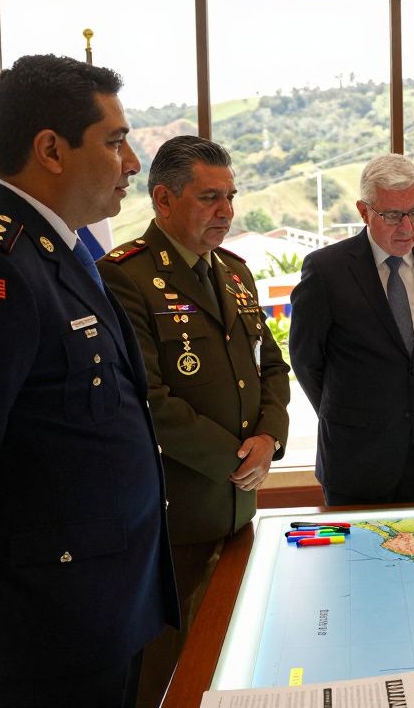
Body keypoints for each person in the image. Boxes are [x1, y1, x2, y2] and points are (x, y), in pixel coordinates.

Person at [0, 54, 176, 707]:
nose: (133, 162)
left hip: (104, 601)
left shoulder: (60, 252)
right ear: (51, 149)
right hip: (47, 624)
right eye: (114, 141)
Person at [97, 135, 290, 706]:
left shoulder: (234, 273)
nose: (226, 211)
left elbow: (271, 366)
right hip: (172, 522)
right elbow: (146, 399)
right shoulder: (124, 276)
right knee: (162, 678)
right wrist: (236, 457)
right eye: (209, 198)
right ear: (163, 199)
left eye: (230, 196)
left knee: (230, 661)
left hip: (238, 512)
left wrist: (269, 437)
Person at [289, 154, 414, 505]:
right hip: (355, 459)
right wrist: (350, 413)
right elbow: (306, 360)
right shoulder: (326, 270)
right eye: (393, 215)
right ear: (363, 211)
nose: (407, 227)